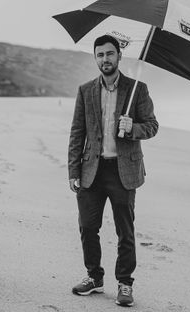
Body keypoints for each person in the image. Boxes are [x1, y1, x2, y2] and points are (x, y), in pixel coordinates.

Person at [68, 34, 159, 307]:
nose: (105, 59)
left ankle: (125, 283)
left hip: (123, 172)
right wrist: (73, 170)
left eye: (109, 54)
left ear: (119, 56)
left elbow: (152, 126)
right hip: (91, 170)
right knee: (87, 227)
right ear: (95, 58)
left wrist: (133, 128)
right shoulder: (86, 90)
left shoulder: (137, 89)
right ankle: (94, 278)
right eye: (100, 55)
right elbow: (77, 132)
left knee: (125, 231)